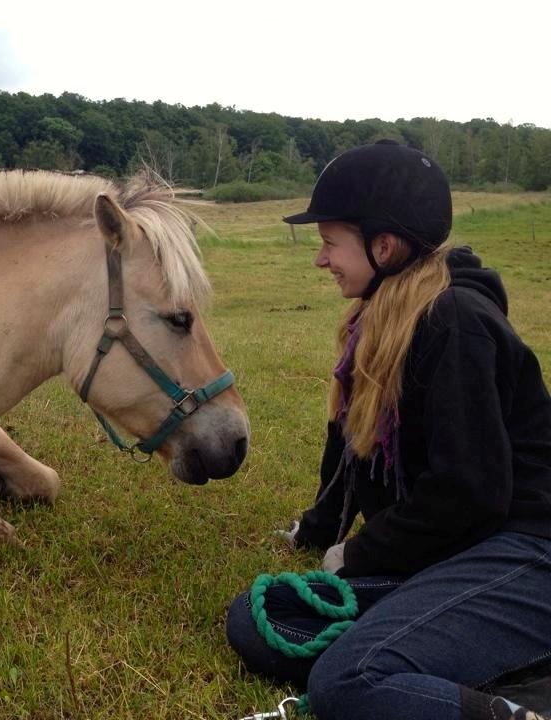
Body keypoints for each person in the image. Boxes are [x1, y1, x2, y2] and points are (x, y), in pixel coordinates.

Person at [225, 140, 551, 720]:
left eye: (330, 242)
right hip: (458, 554)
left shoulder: (456, 325)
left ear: (384, 245)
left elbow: (470, 492)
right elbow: (349, 442)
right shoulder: (377, 323)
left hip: (526, 555)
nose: (320, 259)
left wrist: (359, 552)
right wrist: (320, 532)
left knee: (349, 682)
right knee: (261, 618)